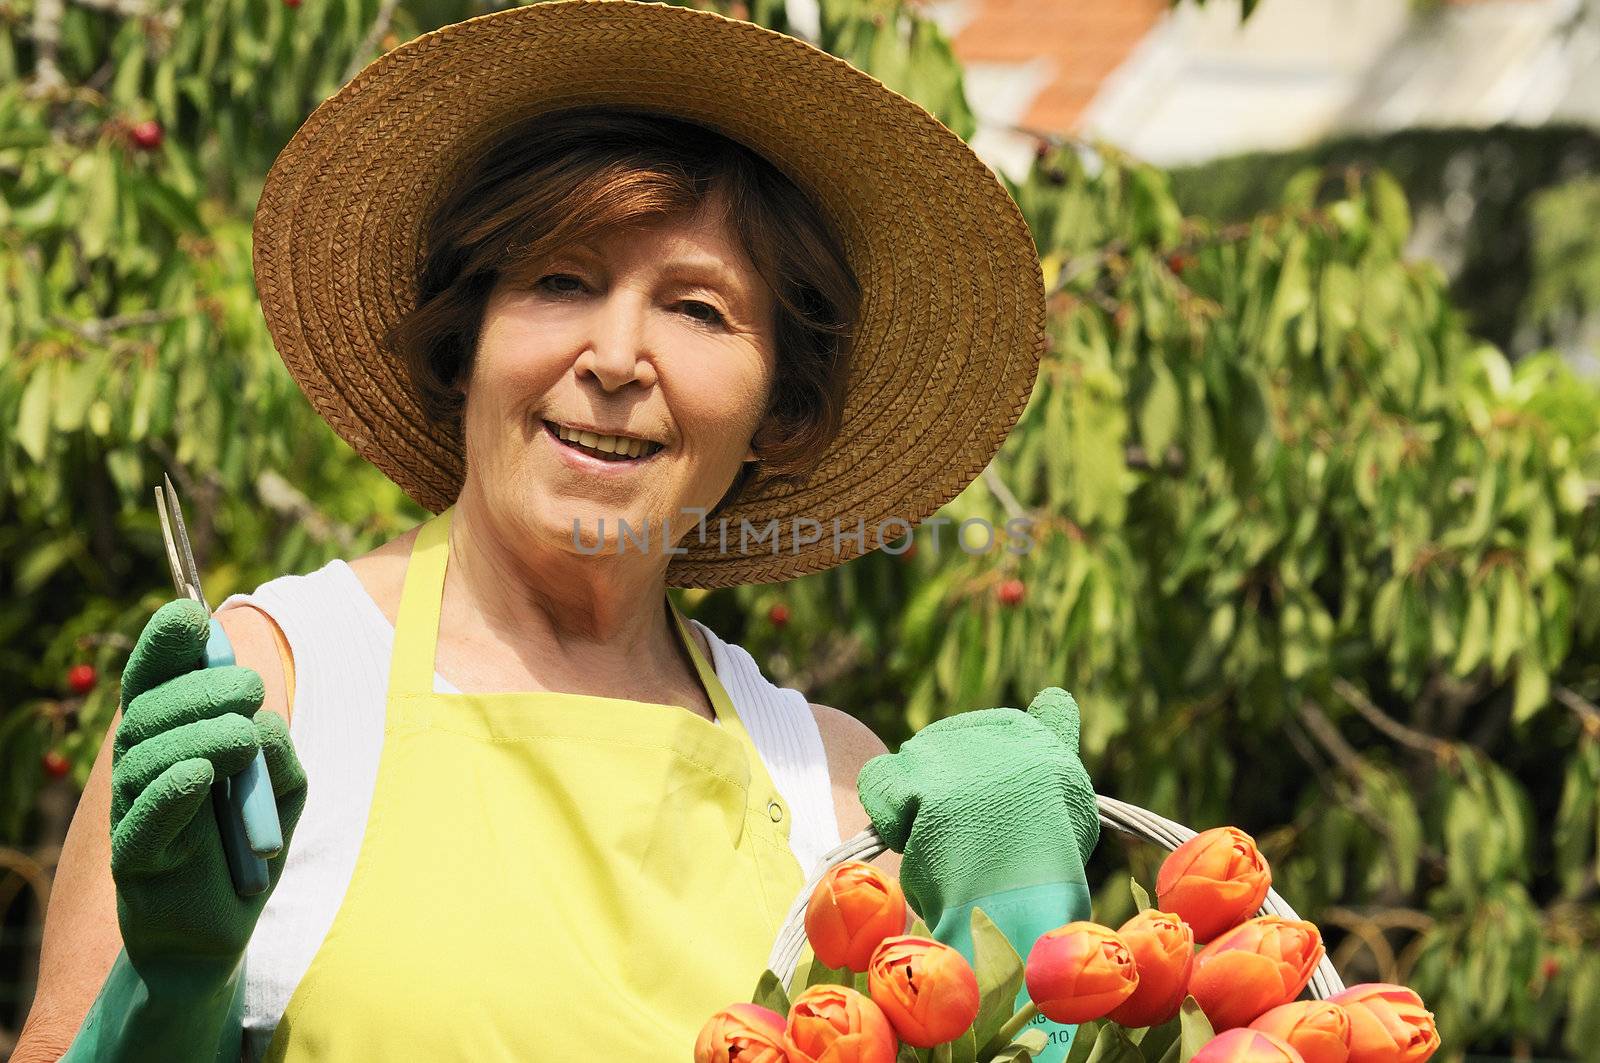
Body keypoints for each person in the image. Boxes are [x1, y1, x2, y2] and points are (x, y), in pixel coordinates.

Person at [16, 3, 1100, 1060]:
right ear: (469, 342)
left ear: (779, 410)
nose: (618, 354)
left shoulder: (827, 781)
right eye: (560, 280)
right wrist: (166, 994)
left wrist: (1013, 943)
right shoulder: (275, 689)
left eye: (697, 309)